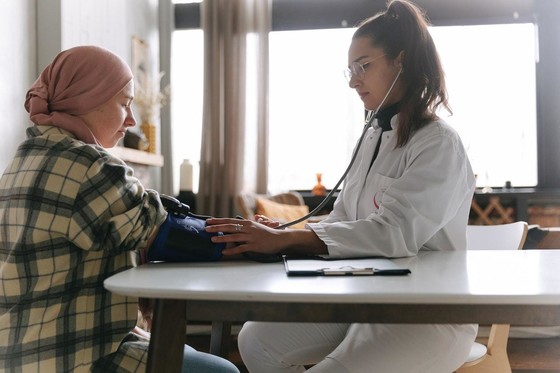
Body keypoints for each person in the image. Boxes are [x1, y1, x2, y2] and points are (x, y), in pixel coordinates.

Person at [205, 1, 477, 372]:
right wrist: (287, 230)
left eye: (363, 66)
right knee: (255, 340)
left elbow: (393, 234)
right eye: (350, 70)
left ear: (401, 62)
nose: (353, 80)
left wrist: (288, 240)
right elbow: (346, 217)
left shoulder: (438, 143)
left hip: (427, 312)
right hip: (367, 297)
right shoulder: (372, 137)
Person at [0, 45, 238, 373]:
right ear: (86, 98)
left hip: (18, 349)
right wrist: (251, 236)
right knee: (223, 371)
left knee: (178, 349)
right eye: (124, 104)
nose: (132, 120)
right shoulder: (89, 165)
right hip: (71, 355)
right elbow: (171, 235)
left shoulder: (22, 159)